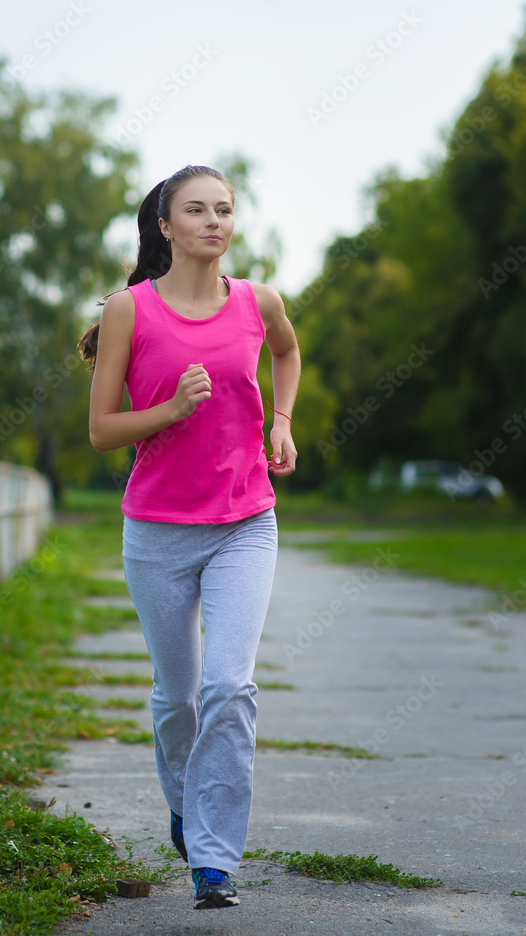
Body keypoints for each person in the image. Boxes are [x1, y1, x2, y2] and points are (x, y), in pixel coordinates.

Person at [77, 164, 300, 910]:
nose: (214, 221)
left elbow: (287, 353)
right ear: (165, 227)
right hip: (158, 533)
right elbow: (103, 430)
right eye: (196, 210)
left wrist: (282, 420)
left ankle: (212, 859)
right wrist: (169, 411)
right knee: (179, 700)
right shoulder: (127, 311)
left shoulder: (257, 301)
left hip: (244, 523)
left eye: (225, 210)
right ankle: (184, 805)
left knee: (228, 685)